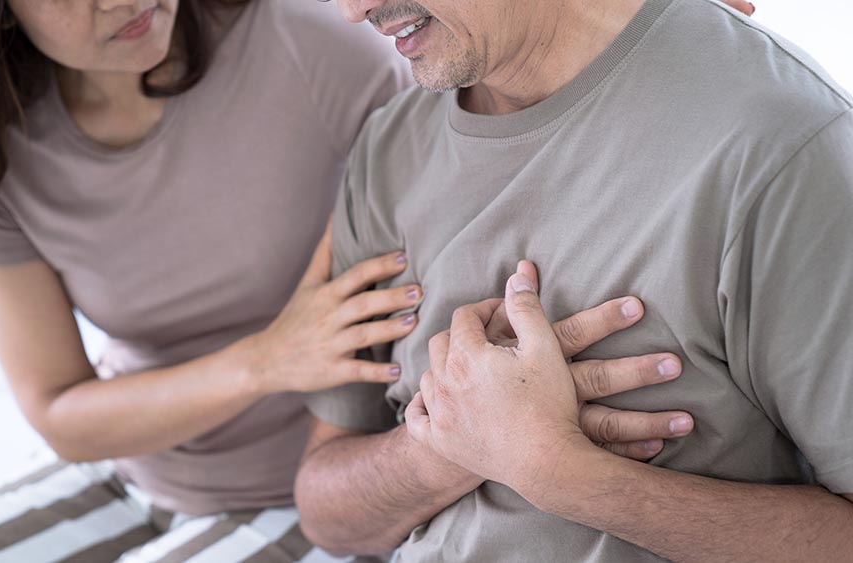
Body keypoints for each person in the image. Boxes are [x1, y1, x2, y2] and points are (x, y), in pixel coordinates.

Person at [0, 0, 687, 561]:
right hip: (140, 468)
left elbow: (498, 140)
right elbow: (62, 410)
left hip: (320, 493)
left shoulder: (300, 42)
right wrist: (267, 358)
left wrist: (648, 34)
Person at [296, 0, 853, 562]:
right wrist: (449, 442)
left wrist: (556, 472)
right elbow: (329, 516)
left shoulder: (781, 143)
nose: (352, 10)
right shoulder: (389, 145)